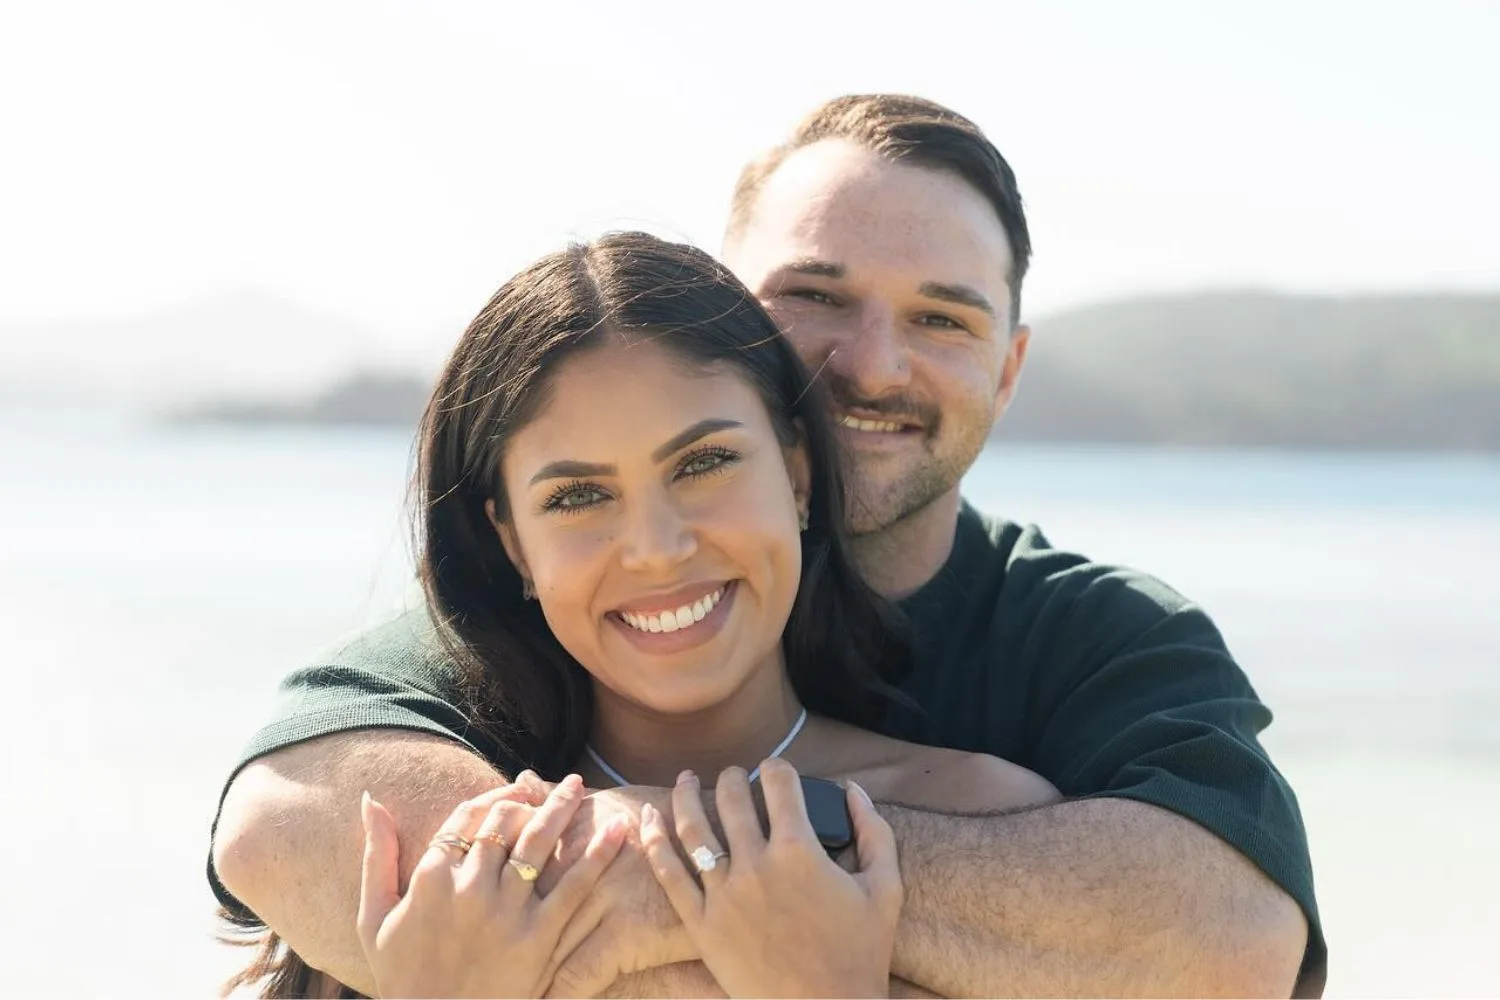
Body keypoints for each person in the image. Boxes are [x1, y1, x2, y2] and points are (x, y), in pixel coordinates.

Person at [212, 94, 1324, 997]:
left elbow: (1227, 945)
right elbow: (276, 823)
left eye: (943, 317)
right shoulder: (497, 637)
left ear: (1011, 365)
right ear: (731, 315)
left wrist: (669, 873)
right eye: (815, 295)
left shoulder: (1093, 645)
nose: (874, 365)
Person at [340, 230, 1060, 999]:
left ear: (797, 473)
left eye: (705, 463)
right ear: (513, 544)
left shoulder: (998, 821)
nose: (657, 550)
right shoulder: (435, 874)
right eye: (578, 496)